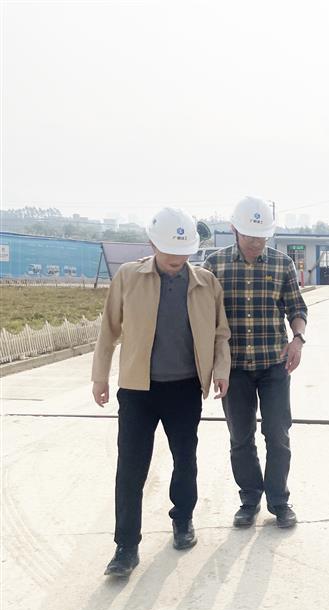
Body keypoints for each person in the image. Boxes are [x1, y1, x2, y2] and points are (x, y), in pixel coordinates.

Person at [92, 207, 231, 577]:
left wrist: (220, 371)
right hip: (137, 390)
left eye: (183, 252)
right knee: (130, 467)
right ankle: (126, 546)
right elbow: (108, 329)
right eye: (170, 251)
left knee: (185, 459)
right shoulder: (129, 277)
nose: (176, 259)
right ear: (153, 244)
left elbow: (220, 333)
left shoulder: (205, 283)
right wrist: (100, 376)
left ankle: (183, 520)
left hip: (185, 388)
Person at [203, 196, 308, 529]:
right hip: (234, 369)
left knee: (278, 434)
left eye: (262, 236)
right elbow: (202, 315)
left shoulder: (281, 264)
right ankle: (249, 500)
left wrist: (297, 339)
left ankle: (279, 502)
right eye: (250, 235)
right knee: (240, 437)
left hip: (274, 365)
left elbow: (297, 308)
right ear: (234, 229)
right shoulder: (214, 265)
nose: (256, 242)